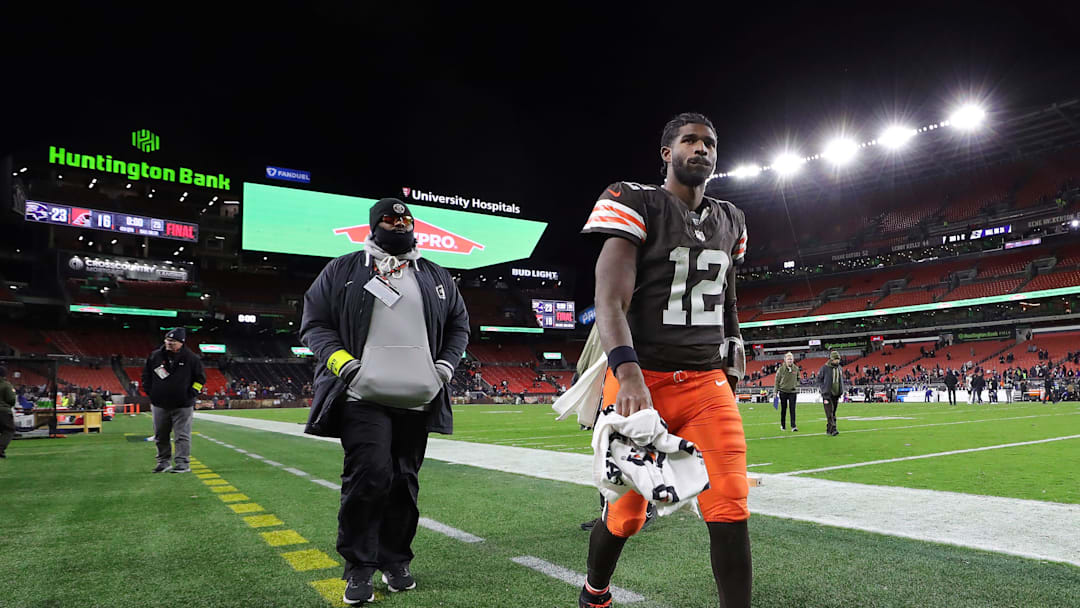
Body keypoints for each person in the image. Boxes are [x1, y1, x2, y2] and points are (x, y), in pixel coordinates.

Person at [577, 113, 751, 608]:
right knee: (626, 514)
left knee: (730, 501)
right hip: (641, 379)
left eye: (710, 142)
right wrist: (627, 372)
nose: (702, 148)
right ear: (666, 153)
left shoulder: (731, 220)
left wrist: (732, 362)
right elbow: (610, 299)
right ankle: (595, 591)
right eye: (690, 140)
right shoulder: (636, 201)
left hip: (704, 383)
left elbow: (728, 301)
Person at [300, 197, 470, 605]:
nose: (399, 224)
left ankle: (396, 560)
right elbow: (314, 323)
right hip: (363, 394)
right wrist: (347, 367)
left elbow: (459, 325)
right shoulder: (343, 268)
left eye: (406, 219)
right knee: (369, 474)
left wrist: (445, 369)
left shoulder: (434, 274)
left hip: (416, 397)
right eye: (390, 220)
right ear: (374, 225)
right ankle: (359, 566)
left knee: (404, 482)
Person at [142, 328, 205, 474]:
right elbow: (146, 375)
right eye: (167, 340)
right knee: (160, 435)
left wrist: (192, 393)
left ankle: (183, 463)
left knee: (182, 435)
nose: (169, 343)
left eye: (173, 341)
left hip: (183, 405)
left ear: (181, 343)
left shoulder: (192, 358)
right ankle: (163, 462)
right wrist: (150, 392)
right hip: (159, 403)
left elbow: (200, 379)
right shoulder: (155, 356)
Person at [818, 351, 844, 436]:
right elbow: (819, 380)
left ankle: (829, 429)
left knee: (833, 412)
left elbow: (840, 381)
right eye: (836, 359)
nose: (837, 361)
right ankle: (833, 429)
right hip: (827, 394)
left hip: (836, 394)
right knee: (829, 412)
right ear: (831, 359)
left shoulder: (839, 368)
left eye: (838, 359)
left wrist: (841, 390)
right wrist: (823, 389)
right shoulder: (824, 368)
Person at [774, 352, 799, 431]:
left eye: (791, 359)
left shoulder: (796, 368)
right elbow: (776, 381)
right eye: (788, 359)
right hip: (783, 391)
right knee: (783, 409)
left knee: (793, 409)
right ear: (785, 360)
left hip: (792, 392)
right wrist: (775, 391)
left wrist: (795, 385)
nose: (790, 361)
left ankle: (793, 426)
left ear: (793, 360)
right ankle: (783, 425)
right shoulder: (781, 369)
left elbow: (798, 378)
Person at [0, 366, 15, 458]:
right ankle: (0, 448)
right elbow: (11, 399)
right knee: (8, 430)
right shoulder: (6, 385)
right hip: (3, 411)